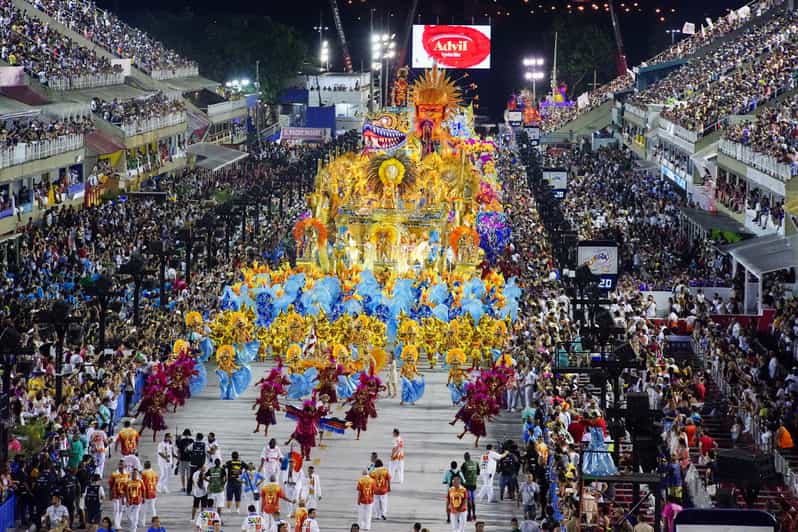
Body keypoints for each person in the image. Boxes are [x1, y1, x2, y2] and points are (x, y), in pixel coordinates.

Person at [110, 460, 129, 529]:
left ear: (125, 466)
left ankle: (118, 523)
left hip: (123, 495)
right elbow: (111, 485)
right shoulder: (114, 474)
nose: (120, 466)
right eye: (119, 464)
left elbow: (127, 486)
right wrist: (110, 495)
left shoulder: (127, 474)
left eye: (122, 464)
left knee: (121, 510)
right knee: (116, 510)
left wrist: (127, 497)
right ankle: (116, 525)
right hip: (115, 494)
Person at [460, 452, 479, 522]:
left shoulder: (464, 464)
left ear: (465, 458)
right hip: (473, 484)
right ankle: (474, 515)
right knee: (473, 499)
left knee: (468, 500)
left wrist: (461, 483)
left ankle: (469, 515)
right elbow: (478, 473)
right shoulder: (476, 463)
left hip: (467, 485)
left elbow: (461, 475)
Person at [141, 461, 159, 528]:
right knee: (153, 509)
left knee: (143, 509)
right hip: (153, 493)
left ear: (145, 466)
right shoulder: (154, 473)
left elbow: (142, 484)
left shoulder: (144, 473)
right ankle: (155, 522)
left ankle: (142, 523)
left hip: (146, 493)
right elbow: (156, 481)